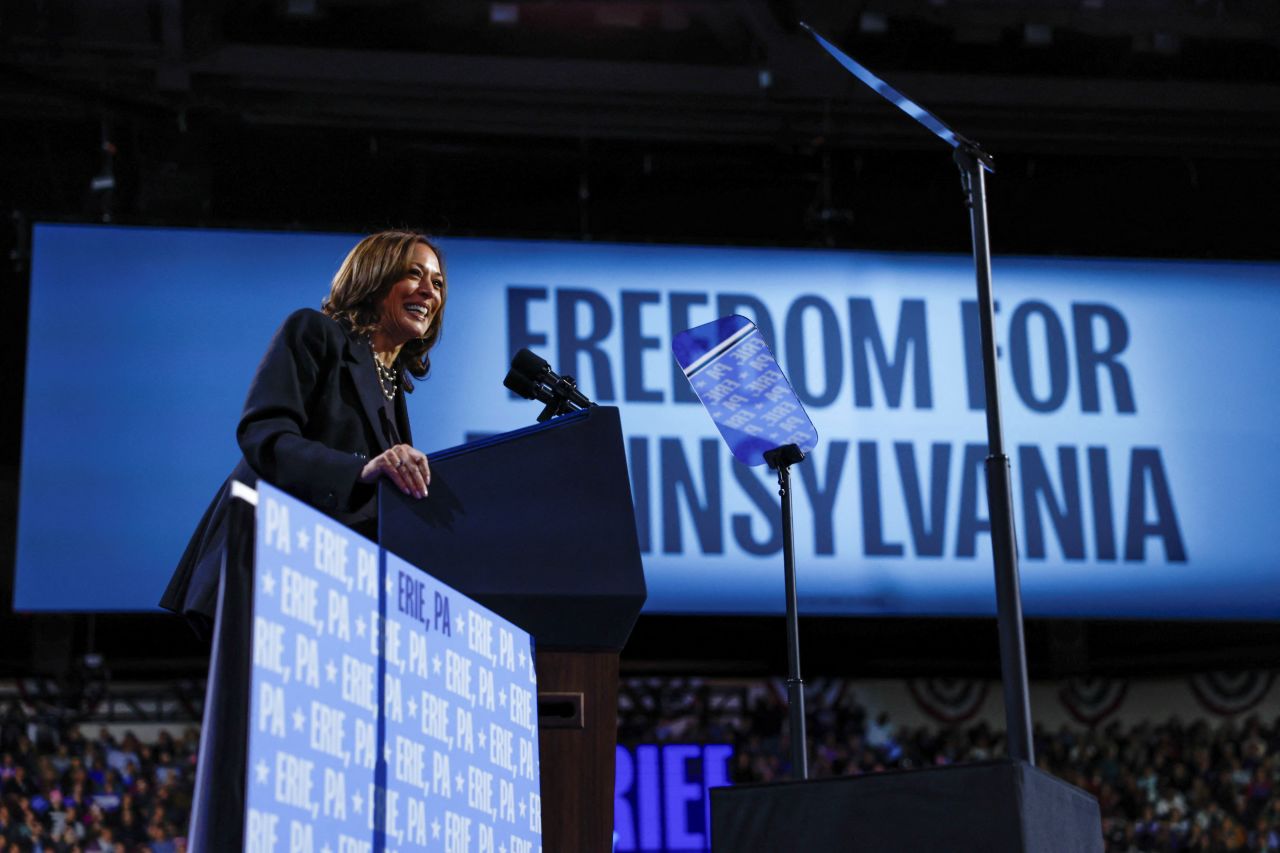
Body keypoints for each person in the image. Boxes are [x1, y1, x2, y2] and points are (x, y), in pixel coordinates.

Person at [159, 230, 448, 639]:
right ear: (375, 278)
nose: (428, 291)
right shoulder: (315, 332)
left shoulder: (393, 386)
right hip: (267, 565)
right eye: (414, 275)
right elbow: (265, 436)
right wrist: (361, 471)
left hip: (328, 587)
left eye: (437, 283)